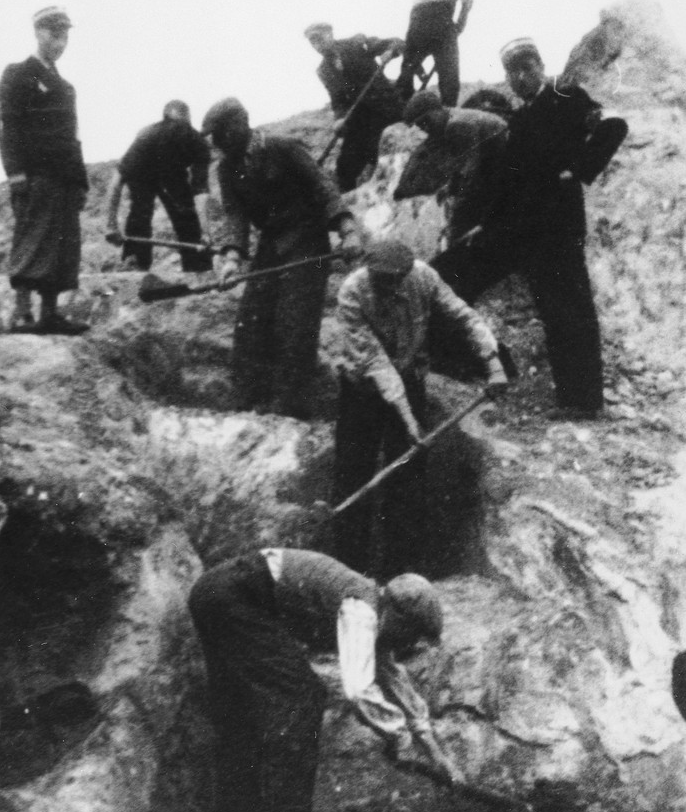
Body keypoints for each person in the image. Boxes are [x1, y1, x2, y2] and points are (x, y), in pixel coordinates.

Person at [188, 547, 461, 812]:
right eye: (412, 634)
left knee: (242, 707)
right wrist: (401, 740)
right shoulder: (361, 610)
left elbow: (398, 687)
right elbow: (358, 690)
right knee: (303, 694)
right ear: (398, 618)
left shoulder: (377, 614)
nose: (409, 644)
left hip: (215, 593)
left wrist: (436, 754)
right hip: (233, 595)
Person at [431, 37, 627, 419]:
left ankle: (582, 402)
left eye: (527, 68)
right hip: (512, 229)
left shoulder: (568, 97)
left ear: (540, 66)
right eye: (513, 72)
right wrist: (480, 226)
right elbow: (505, 182)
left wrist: (579, 170)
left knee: (566, 310)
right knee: (447, 274)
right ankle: (461, 362)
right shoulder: (517, 121)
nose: (521, 77)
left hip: (555, 228)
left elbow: (614, 126)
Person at [333, 239, 508, 578]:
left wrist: (493, 362)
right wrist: (409, 420)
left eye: (394, 279)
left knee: (408, 474)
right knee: (354, 476)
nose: (387, 286)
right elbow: (376, 363)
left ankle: (400, 571)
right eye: (379, 279)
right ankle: (347, 571)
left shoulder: (423, 277)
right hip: (363, 388)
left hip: (409, 378)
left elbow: (462, 316)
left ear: (404, 274)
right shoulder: (352, 293)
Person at [201, 97, 362, 419]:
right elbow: (235, 215)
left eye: (219, 136)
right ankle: (248, 397)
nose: (217, 145)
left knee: (296, 322)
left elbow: (322, 186)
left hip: (308, 239)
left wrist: (347, 229)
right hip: (271, 243)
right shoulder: (226, 168)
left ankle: (292, 406)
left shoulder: (283, 147)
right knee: (251, 319)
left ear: (238, 126)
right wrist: (232, 257)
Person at [0, 5, 89, 335]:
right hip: (35, 175)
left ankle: (49, 313)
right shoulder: (18, 73)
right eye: (53, 34)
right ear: (38, 33)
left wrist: (81, 181)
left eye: (64, 36)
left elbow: (72, 138)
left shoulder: (65, 88)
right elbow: (8, 128)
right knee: (31, 240)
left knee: (62, 246)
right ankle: (22, 313)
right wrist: (15, 173)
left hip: (64, 176)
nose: (60, 42)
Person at [105, 100, 213, 273]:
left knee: (140, 211)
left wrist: (111, 225)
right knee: (184, 216)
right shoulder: (194, 139)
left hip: (158, 172)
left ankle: (135, 261)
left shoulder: (146, 135)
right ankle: (198, 267)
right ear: (188, 118)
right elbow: (200, 192)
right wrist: (205, 233)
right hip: (155, 172)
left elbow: (116, 180)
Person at [399, 91, 508, 247]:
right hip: (496, 164)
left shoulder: (457, 124)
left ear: (437, 109)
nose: (424, 128)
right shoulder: (451, 119)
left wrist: (456, 200)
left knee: (462, 218)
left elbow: (469, 170)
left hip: (508, 164)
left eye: (425, 121)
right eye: (419, 125)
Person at [304, 23, 403, 192]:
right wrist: (339, 119)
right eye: (313, 43)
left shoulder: (357, 43)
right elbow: (337, 101)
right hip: (358, 119)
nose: (317, 45)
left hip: (386, 107)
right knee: (345, 165)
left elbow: (397, 42)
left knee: (377, 149)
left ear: (330, 33)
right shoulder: (323, 70)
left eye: (319, 38)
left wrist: (390, 52)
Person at [397, 0, 473, 107]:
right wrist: (459, 26)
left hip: (416, 26)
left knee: (407, 68)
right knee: (449, 73)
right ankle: (448, 108)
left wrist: (419, 69)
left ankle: (402, 105)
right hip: (441, 25)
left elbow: (413, 50)